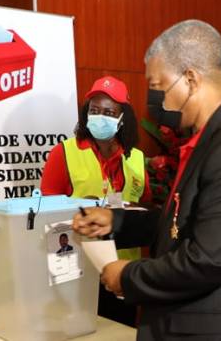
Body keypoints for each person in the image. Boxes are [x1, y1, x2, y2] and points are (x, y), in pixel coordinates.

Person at [72, 19, 221, 340]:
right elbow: (185, 221)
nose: (157, 100)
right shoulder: (212, 136)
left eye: (158, 86)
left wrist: (127, 276)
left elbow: (208, 261)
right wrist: (116, 222)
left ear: (190, 79)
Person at [41, 75, 151, 327]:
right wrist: (79, 204)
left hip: (121, 270)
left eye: (110, 112)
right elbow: (46, 211)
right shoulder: (64, 152)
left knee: (119, 331)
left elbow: (146, 210)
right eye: (94, 110)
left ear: (123, 118)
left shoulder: (136, 159)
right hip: (75, 269)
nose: (101, 116)